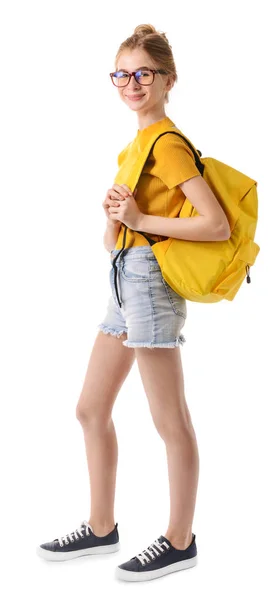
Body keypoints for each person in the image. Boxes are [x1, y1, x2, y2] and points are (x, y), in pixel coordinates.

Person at [36, 24, 230, 582]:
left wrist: (141, 220)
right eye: (122, 73)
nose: (132, 83)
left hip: (149, 285)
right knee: (89, 409)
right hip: (123, 278)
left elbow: (214, 223)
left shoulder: (166, 144)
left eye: (144, 72)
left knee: (170, 421)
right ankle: (101, 528)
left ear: (168, 79)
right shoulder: (135, 146)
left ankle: (180, 540)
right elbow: (113, 240)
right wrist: (115, 218)